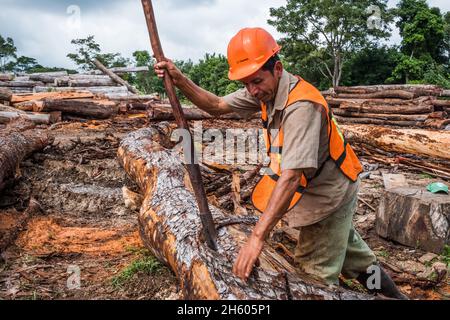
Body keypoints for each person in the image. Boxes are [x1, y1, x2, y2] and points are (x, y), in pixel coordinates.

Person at [155, 27, 407, 299]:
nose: (251, 90)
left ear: (278, 68)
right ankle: (396, 298)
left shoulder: (301, 106)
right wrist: (180, 80)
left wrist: (256, 238)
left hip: (328, 194)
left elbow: (291, 176)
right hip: (318, 185)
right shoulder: (265, 90)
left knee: (313, 280)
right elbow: (216, 105)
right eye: (246, 84)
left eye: (256, 81)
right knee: (354, 259)